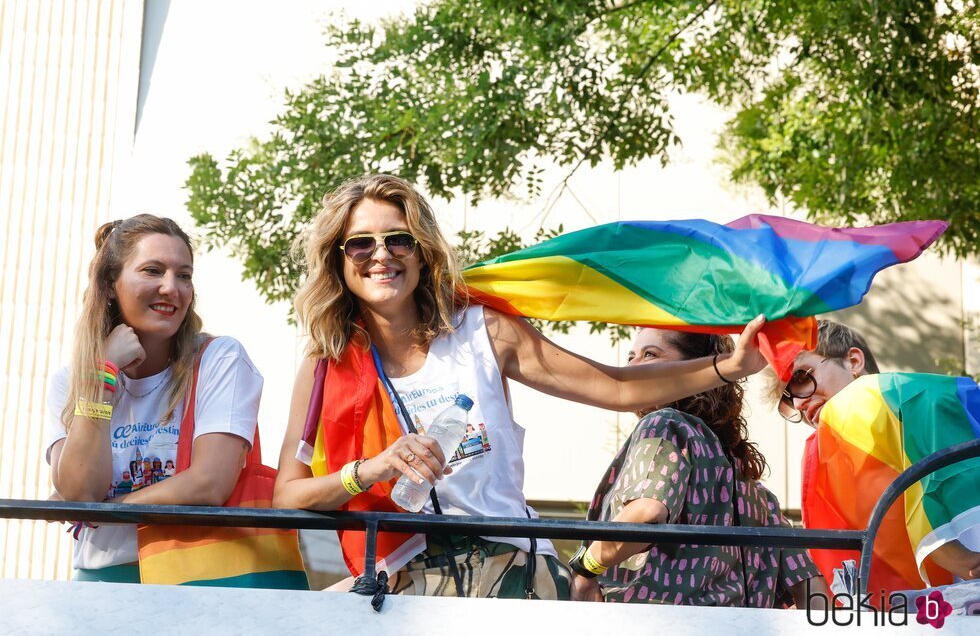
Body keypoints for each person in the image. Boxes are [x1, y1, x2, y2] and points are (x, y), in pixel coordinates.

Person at [273, 173, 769, 599]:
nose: (381, 255)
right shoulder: (326, 364)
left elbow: (616, 387)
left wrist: (725, 368)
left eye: (398, 240)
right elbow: (288, 498)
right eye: (361, 243)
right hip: (399, 584)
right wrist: (373, 468)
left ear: (422, 254)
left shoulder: (480, 330)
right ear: (339, 261)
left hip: (507, 570)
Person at [44, 215, 263, 583]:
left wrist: (108, 510)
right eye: (152, 270)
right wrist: (103, 374)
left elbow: (209, 483)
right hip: (102, 579)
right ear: (110, 285)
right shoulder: (70, 381)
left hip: (202, 576)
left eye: (184, 275)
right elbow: (81, 491)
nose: (170, 288)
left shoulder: (219, 359)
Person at [568, 328, 828, 608]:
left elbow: (647, 512)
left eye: (649, 355)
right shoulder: (756, 493)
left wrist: (585, 569)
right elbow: (813, 591)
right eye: (631, 356)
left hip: (656, 623)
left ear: (697, 367)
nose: (630, 367)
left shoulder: (665, 425)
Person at [777, 319, 980, 596]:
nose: (799, 403)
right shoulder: (824, 452)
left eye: (802, 377)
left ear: (853, 361)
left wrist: (945, 548)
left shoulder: (872, 397)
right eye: (788, 399)